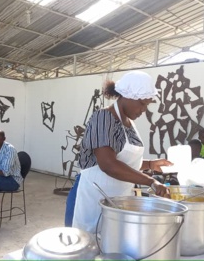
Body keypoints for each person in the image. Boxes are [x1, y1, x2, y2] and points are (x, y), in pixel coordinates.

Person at [71, 70, 172, 233]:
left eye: (147, 105)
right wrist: (151, 182)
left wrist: (151, 164)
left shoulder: (129, 123)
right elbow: (108, 164)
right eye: (142, 103)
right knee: (93, 244)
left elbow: (125, 162)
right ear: (128, 96)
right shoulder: (103, 118)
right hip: (96, 199)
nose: (144, 110)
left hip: (118, 201)